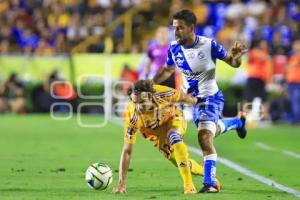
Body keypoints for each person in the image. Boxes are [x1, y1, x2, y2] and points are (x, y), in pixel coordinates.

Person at [153, 10, 247, 193]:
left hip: (211, 97)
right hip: (190, 101)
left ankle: (210, 183)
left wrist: (237, 56)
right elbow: (166, 70)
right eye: (174, 28)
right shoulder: (174, 48)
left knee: (204, 136)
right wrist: (150, 83)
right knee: (210, 131)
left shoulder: (208, 45)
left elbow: (233, 63)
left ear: (191, 28)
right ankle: (236, 122)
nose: (176, 32)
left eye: (180, 28)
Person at [112, 80, 220, 195]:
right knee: (181, 162)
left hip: (173, 119)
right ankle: (206, 173)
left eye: (142, 102)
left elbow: (187, 98)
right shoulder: (132, 115)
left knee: (174, 136)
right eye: (135, 102)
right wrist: (121, 182)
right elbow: (127, 151)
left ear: (149, 96)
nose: (139, 107)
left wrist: (199, 102)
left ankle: (189, 186)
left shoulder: (163, 93)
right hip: (157, 136)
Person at [285, 40, 300, 124]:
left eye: (297, 45)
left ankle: (296, 120)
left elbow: (291, 66)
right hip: (291, 82)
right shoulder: (292, 56)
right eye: (295, 44)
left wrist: (288, 66)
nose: (295, 46)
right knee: (294, 101)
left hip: (297, 81)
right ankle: (295, 118)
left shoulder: (297, 56)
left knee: (296, 101)